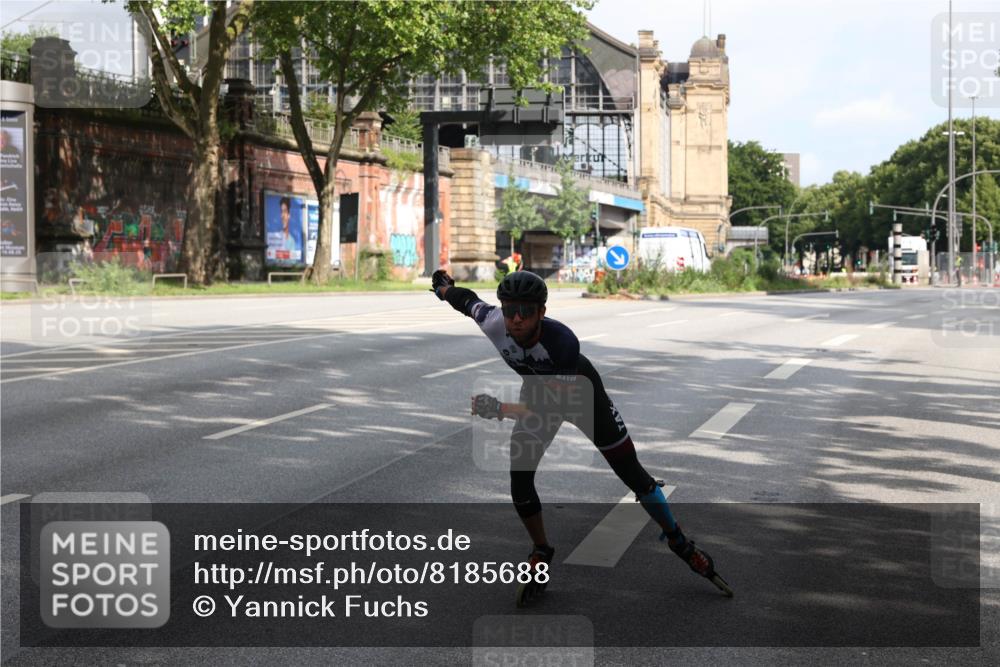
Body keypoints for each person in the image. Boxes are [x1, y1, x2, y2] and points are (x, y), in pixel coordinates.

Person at [431, 269, 732, 602]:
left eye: (526, 311)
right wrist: (444, 289)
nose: (516, 319)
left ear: (541, 312)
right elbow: (467, 301)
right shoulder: (493, 322)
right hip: (538, 394)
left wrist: (500, 409)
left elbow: (549, 409)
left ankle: (679, 541)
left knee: (634, 476)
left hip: (584, 401)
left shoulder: (562, 342)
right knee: (520, 477)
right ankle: (541, 550)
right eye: (510, 309)